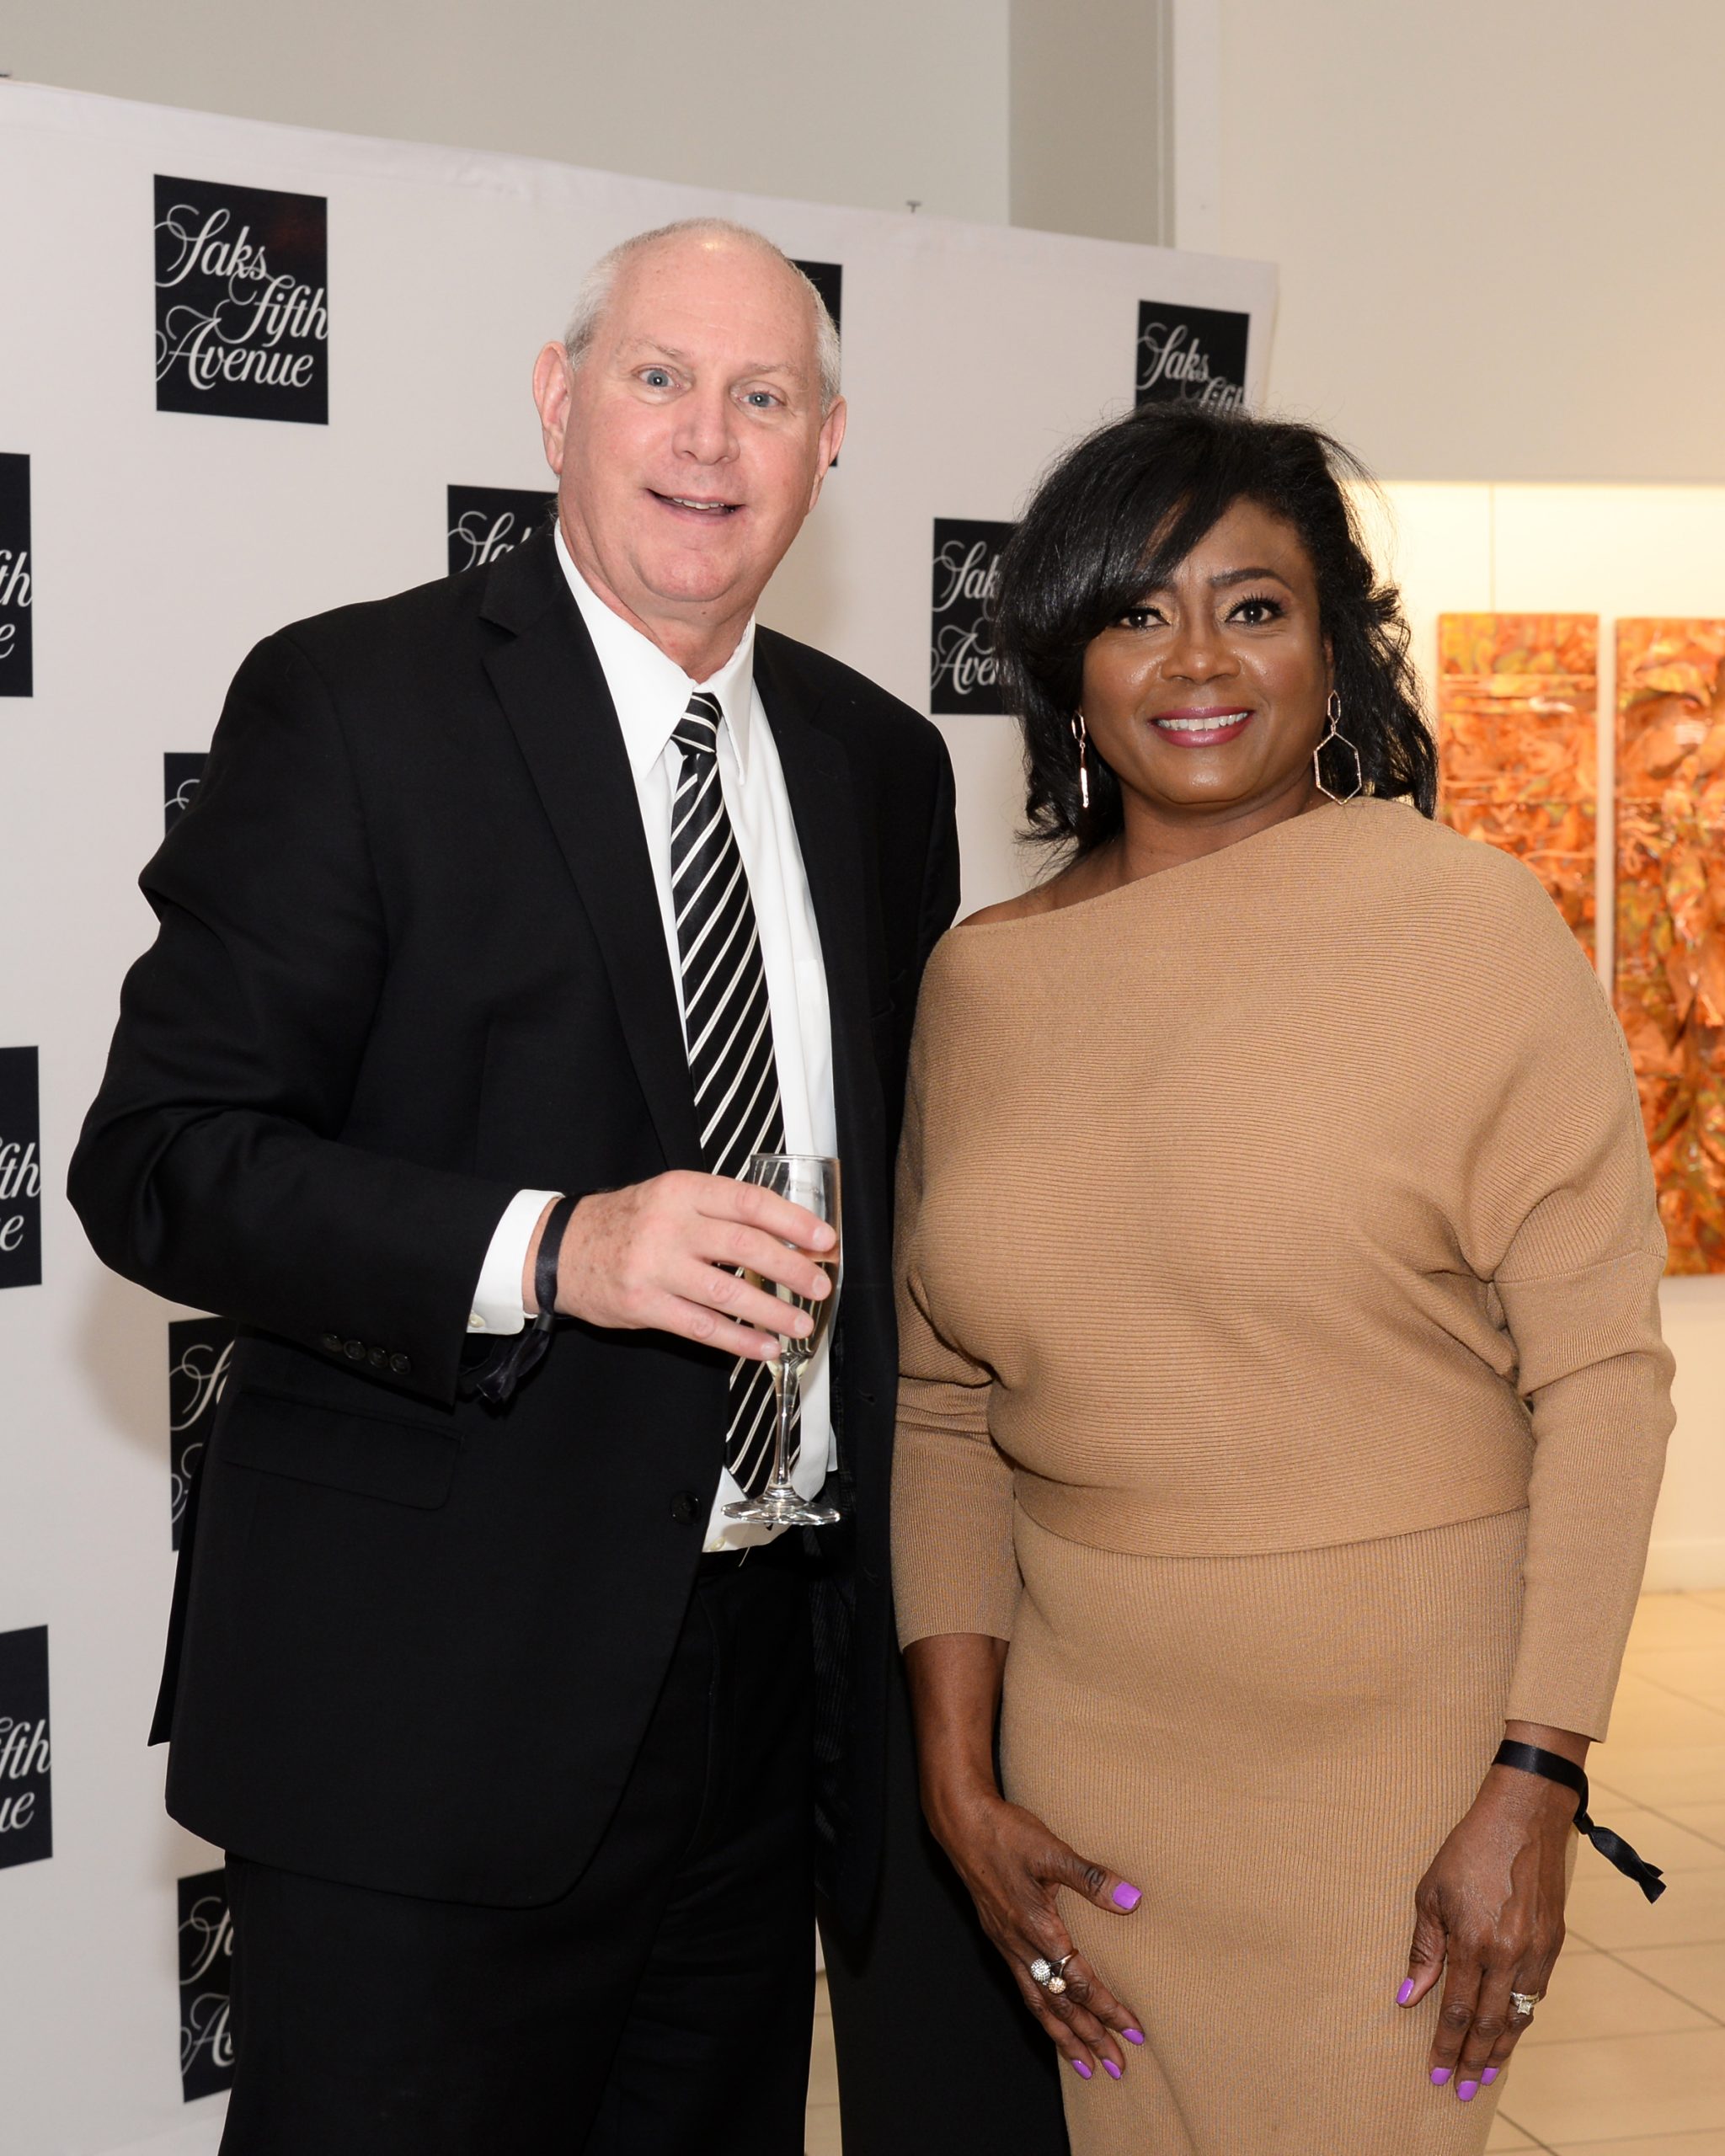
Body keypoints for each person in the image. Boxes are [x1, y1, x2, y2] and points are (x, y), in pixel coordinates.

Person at [69, 219, 1066, 2156]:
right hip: (427, 1703)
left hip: (770, 1700)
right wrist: (552, 1246)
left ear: (829, 442)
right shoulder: (355, 704)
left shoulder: (873, 767)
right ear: (556, 401)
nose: (706, 437)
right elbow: (158, 1158)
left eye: (762, 396)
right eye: (657, 378)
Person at [889, 402, 1675, 2155]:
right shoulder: (981, 984)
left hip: (1402, 1760)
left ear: (1334, 651)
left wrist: (1539, 1772)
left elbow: (1604, 1381)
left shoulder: (1469, 925)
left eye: (1253, 608)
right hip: (1095, 1768)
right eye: (1136, 611)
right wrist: (956, 1769)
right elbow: (943, 1410)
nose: (1196, 661)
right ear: (1067, 666)